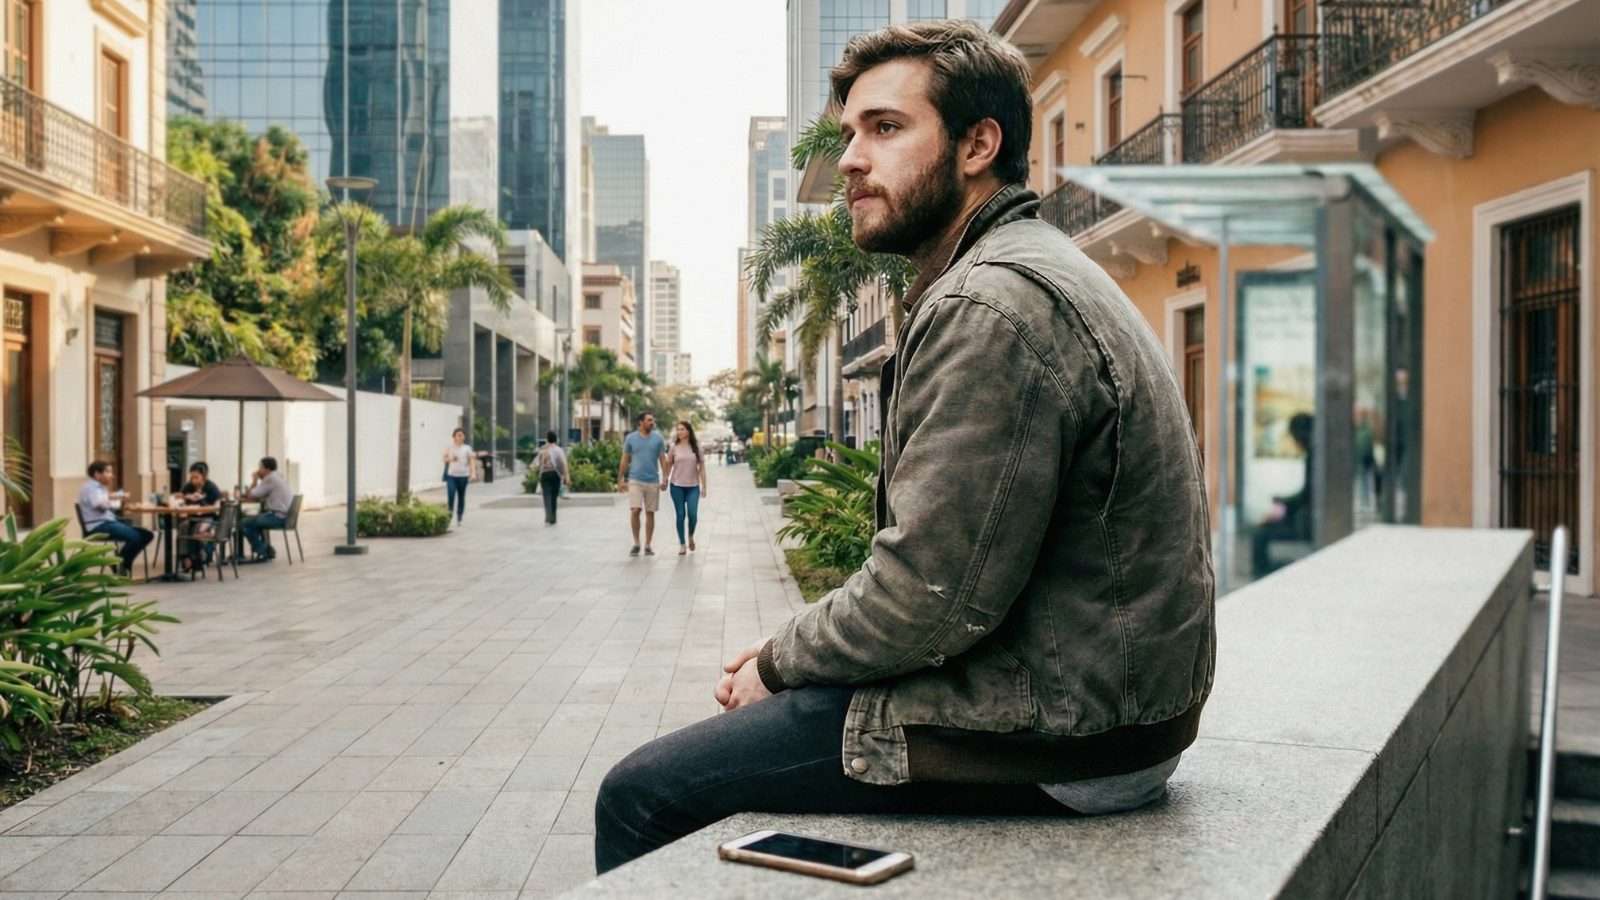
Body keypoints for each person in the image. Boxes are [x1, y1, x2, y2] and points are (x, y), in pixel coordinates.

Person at [594, 21, 1214, 873]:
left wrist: (775, 664)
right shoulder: (1023, 267)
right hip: (1112, 711)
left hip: (1062, 739)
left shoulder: (992, 308)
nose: (851, 158)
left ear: (977, 145)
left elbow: (926, 596)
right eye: (851, 133)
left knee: (637, 795)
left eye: (885, 129)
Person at [1252, 412, 1315, 576]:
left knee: (1260, 533)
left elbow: (1308, 495)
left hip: (1306, 520)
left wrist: (1284, 502)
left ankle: (1262, 572)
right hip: (1305, 516)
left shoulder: (1314, 456)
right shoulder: (1314, 455)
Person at [78, 461, 153, 577]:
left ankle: (119, 563)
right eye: (108, 472)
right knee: (136, 537)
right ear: (97, 474)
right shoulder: (92, 487)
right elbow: (98, 503)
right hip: (99, 526)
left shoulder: (98, 487)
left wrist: (116, 499)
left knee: (147, 535)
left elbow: (104, 500)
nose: (112, 475)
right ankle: (121, 565)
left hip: (107, 522)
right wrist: (115, 502)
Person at [617, 412, 669, 556]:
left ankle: (648, 545)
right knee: (635, 510)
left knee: (650, 513)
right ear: (641, 422)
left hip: (652, 480)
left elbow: (662, 459)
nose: (652, 422)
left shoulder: (658, 438)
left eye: (653, 420)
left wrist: (665, 477)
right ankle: (636, 543)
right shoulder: (631, 438)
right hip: (635, 480)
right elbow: (625, 459)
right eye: (649, 420)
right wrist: (620, 478)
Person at [666, 420, 709, 556]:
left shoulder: (697, 447)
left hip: (693, 487)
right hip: (676, 485)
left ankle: (690, 535)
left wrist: (704, 487)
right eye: (678, 429)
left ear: (689, 431)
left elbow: (702, 468)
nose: (679, 432)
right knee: (680, 515)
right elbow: (668, 465)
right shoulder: (673, 447)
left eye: (682, 429)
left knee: (693, 515)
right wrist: (664, 479)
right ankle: (682, 544)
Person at [241, 456, 293, 562]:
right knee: (253, 522)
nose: (258, 470)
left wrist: (254, 481)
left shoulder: (270, 478)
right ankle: (265, 550)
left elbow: (251, 495)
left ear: (267, 469)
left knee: (243, 523)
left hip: (278, 517)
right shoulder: (278, 476)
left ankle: (263, 550)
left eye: (260, 467)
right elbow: (263, 493)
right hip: (286, 516)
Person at [178, 462, 223, 572]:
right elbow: (180, 498)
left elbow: (217, 506)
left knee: (198, 529)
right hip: (191, 517)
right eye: (192, 477)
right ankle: (185, 558)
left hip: (208, 518)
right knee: (183, 526)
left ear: (204, 476)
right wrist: (183, 497)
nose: (193, 480)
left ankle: (198, 558)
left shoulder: (211, 487)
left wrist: (201, 500)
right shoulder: (188, 486)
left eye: (196, 477)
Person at [442, 427, 476, 527]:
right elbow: (444, 459)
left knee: (461, 496)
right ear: (454, 437)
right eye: (458, 435)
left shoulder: (467, 448)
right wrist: (450, 459)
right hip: (451, 476)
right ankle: (449, 516)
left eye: (462, 435)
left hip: (463, 476)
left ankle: (459, 516)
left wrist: (473, 473)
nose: (461, 437)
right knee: (451, 496)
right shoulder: (449, 447)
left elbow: (472, 461)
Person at [536, 431, 571, 525]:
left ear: (547, 439)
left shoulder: (542, 450)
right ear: (556, 439)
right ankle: (553, 518)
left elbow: (538, 464)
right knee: (553, 497)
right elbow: (563, 463)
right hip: (555, 475)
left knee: (546, 496)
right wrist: (566, 476)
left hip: (544, 475)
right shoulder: (558, 450)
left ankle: (548, 515)